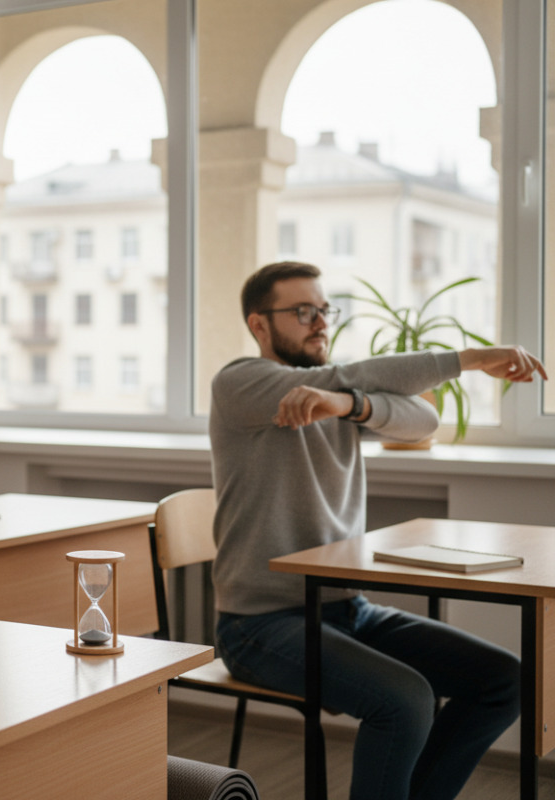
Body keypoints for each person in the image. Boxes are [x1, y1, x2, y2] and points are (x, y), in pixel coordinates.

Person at [209, 261, 546, 800]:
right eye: (302, 312)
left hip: (346, 608)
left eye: (323, 309)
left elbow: (423, 422)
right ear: (259, 326)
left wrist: (348, 405)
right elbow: (341, 382)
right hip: (258, 623)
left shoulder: (337, 391)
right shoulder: (239, 383)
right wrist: (472, 359)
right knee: (405, 701)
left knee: (505, 680)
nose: (319, 323)